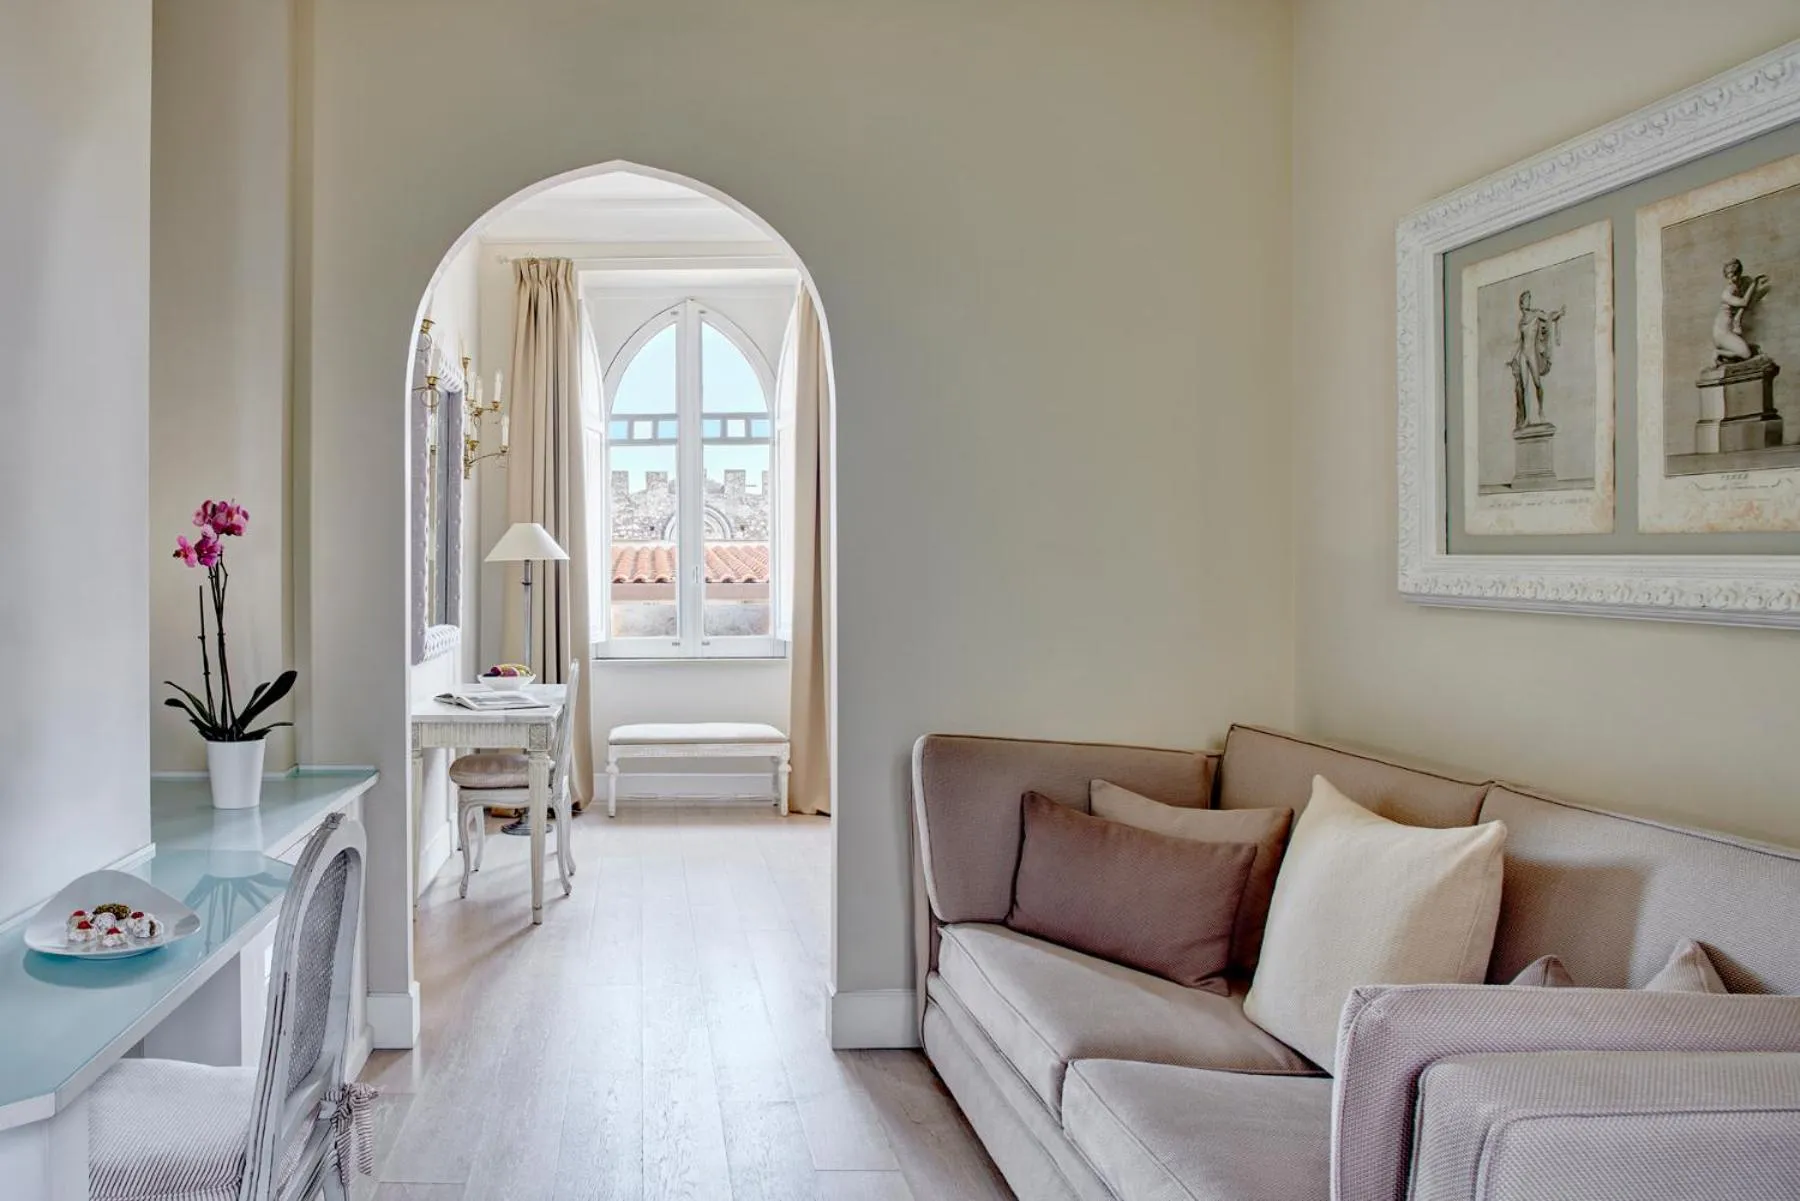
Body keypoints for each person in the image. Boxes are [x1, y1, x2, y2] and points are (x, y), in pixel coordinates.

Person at [1507, 289, 1565, 428]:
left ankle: (1541, 410)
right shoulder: (1521, 322)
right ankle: (1527, 418)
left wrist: (1559, 314)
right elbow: (1519, 342)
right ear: (1521, 304)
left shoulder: (1536, 314)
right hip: (1523, 354)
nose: (1528, 301)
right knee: (1524, 386)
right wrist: (1512, 358)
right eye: (1526, 299)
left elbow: (1549, 316)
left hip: (1532, 352)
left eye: (1529, 299)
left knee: (1537, 384)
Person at [1712, 257, 1770, 365]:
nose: (1733, 280)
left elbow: (1750, 301)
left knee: (1754, 350)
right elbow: (1744, 303)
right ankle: (1719, 353)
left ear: (1739, 273)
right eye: (1730, 278)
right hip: (1722, 333)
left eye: (1735, 275)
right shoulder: (1726, 294)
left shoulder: (1744, 282)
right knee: (1746, 354)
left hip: (1732, 331)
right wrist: (1754, 284)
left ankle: (1728, 355)